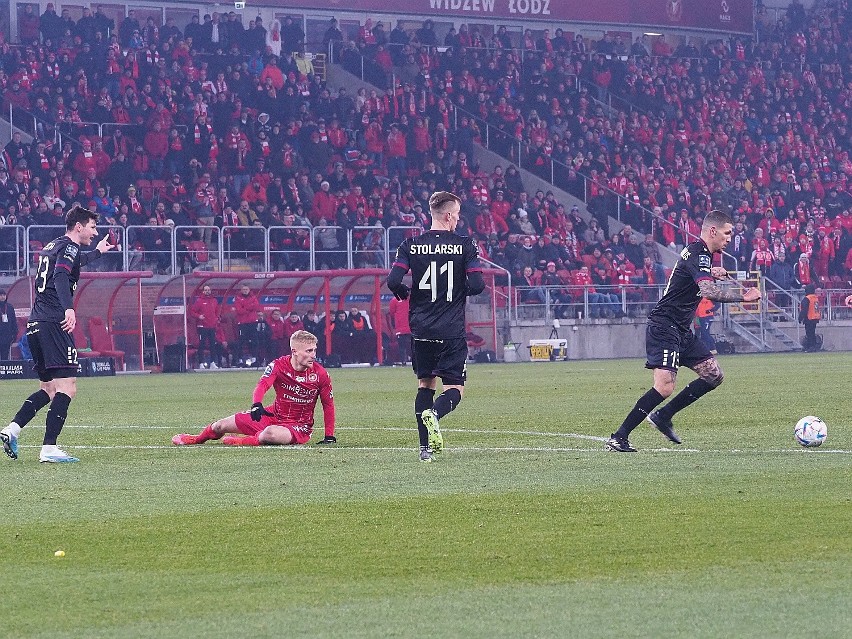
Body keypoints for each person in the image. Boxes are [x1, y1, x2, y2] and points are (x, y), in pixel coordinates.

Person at [606, 210, 761, 452]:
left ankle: (663, 416)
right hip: (664, 325)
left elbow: (692, 274)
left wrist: (711, 272)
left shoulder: (699, 253)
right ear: (713, 231)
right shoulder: (700, 254)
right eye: (727, 233)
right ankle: (619, 436)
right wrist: (745, 296)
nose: (729, 238)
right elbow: (708, 292)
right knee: (665, 386)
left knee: (713, 375)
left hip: (680, 328)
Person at [1, 206, 115, 463]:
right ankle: (49, 448)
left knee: (48, 388)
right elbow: (62, 275)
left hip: (36, 323)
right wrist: (68, 309)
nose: (95, 233)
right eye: (92, 227)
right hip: (54, 323)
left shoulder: (54, 246)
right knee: (68, 387)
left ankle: (12, 429)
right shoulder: (71, 247)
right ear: (78, 226)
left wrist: (98, 253)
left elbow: (70, 264)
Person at [386, 191, 485, 462]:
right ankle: (436, 415)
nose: (457, 221)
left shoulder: (411, 245)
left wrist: (405, 293)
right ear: (449, 215)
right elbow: (478, 285)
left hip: (420, 329)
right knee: (454, 389)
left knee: (425, 385)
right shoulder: (465, 245)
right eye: (457, 215)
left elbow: (393, 281)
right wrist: (456, 292)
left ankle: (424, 449)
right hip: (451, 330)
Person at [171, 330, 337, 447]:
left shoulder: (320, 374)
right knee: (219, 426)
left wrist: (329, 436)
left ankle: (242, 442)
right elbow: (263, 385)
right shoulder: (278, 365)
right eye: (309, 351)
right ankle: (197, 439)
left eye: (314, 350)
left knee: (270, 434)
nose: (313, 355)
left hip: (298, 427)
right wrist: (257, 404)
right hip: (273, 416)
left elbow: (328, 405)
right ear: (294, 351)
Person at [190, 284, 220, 369]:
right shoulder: (199, 301)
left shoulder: (214, 300)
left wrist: (216, 319)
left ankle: (212, 362)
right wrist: (199, 316)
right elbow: (192, 311)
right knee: (202, 344)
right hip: (202, 326)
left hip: (212, 326)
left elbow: (217, 311)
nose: (207, 291)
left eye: (208, 290)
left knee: (212, 345)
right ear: (203, 291)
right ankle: (201, 363)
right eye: (206, 290)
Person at [388, 293, 411, 364]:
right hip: (409, 327)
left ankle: (403, 361)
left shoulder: (394, 300)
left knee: (402, 345)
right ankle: (409, 360)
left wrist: (393, 323)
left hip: (402, 328)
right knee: (409, 345)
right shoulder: (412, 299)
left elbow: (392, 313)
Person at [798, 284, 820, 352]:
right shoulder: (815, 297)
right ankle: (813, 346)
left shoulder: (807, 298)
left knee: (809, 333)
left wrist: (800, 318)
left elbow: (804, 309)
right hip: (815, 317)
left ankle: (811, 347)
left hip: (809, 318)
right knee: (812, 333)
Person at [0, 288, 18, 360]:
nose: (2, 297)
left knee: (5, 356)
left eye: (4, 295)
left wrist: (15, 332)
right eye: (0, 295)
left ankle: (3, 370)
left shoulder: (10, 307)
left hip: (7, 336)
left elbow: (13, 320)